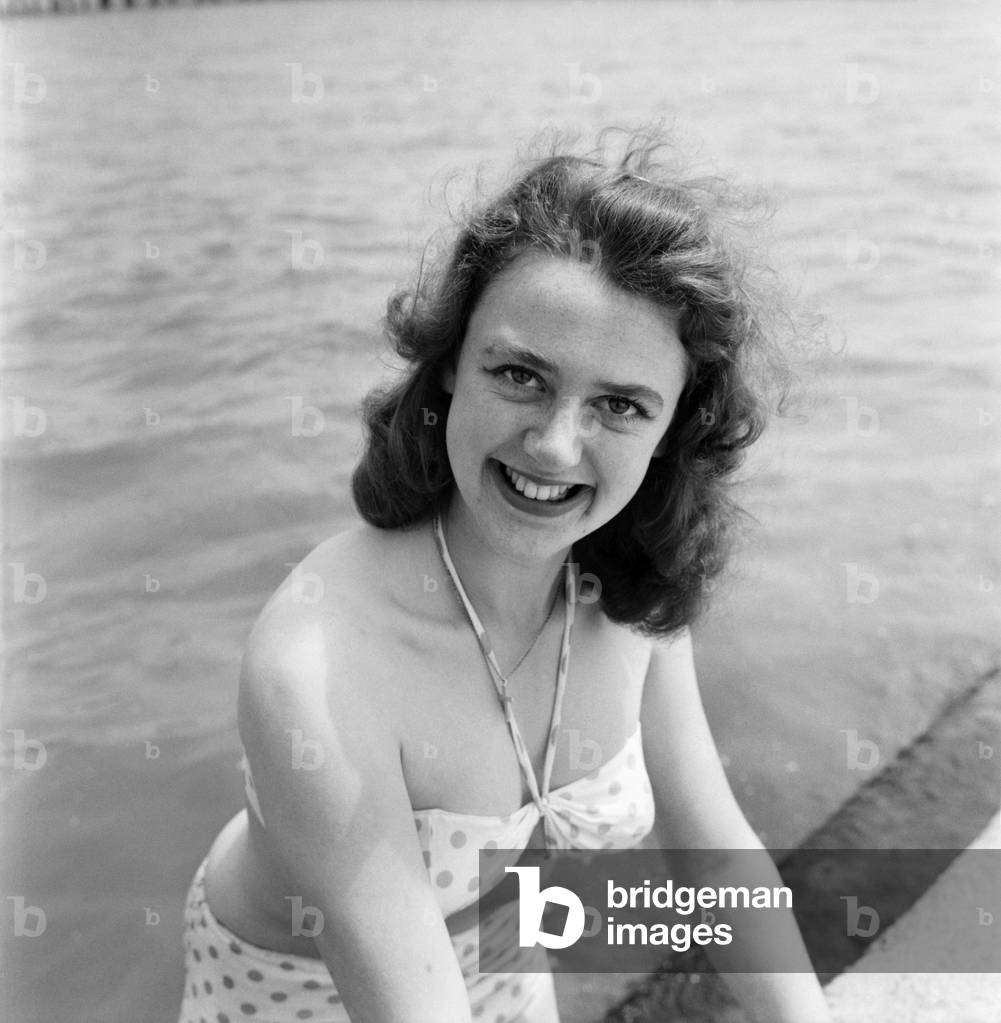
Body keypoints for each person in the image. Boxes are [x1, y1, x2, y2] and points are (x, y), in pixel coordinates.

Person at [176, 128, 832, 1023]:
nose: (556, 444)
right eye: (521, 375)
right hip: (295, 998)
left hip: (499, 965)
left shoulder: (629, 595)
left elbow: (716, 858)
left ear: (672, 427)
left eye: (618, 404)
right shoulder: (322, 664)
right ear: (451, 365)